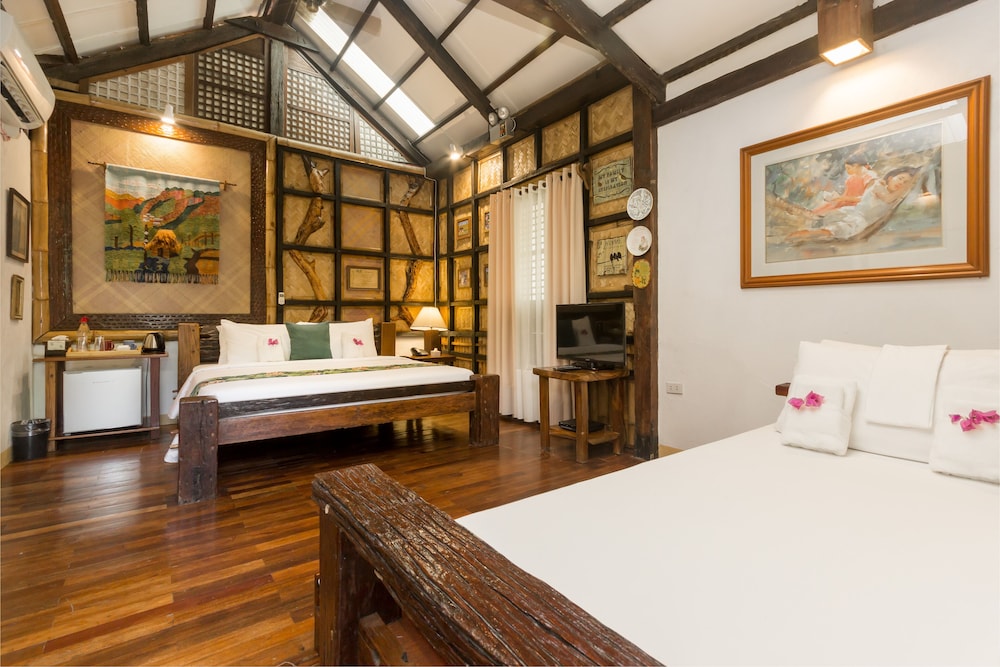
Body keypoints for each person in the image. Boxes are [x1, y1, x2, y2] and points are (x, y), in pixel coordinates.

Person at [788, 166, 918, 241]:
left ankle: (815, 232)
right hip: (858, 214)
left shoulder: (896, 197)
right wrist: (905, 188)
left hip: (859, 215)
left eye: (905, 183)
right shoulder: (879, 185)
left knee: (843, 227)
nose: (901, 183)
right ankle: (811, 232)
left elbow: (864, 198)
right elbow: (887, 199)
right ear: (890, 178)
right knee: (841, 224)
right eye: (900, 179)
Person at [811, 156, 877, 215]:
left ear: (856, 166)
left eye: (848, 168)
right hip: (845, 203)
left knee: (830, 212)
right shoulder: (851, 178)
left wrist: (842, 198)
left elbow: (865, 199)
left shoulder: (869, 177)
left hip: (857, 206)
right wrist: (837, 198)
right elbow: (846, 194)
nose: (847, 171)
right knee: (825, 207)